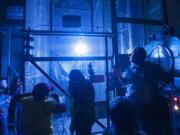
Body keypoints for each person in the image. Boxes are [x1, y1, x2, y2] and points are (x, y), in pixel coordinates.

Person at [124, 47, 171, 135]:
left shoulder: (153, 67)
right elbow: (126, 84)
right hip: (132, 106)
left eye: (133, 53)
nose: (130, 55)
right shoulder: (129, 69)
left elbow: (167, 78)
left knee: (147, 130)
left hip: (147, 107)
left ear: (140, 55)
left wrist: (156, 86)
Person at [69, 69, 95, 135]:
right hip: (84, 118)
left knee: (85, 131)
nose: (74, 82)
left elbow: (78, 108)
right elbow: (74, 108)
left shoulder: (87, 85)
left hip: (85, 117)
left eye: (75, 79)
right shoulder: (86, 84)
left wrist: (72, 127)